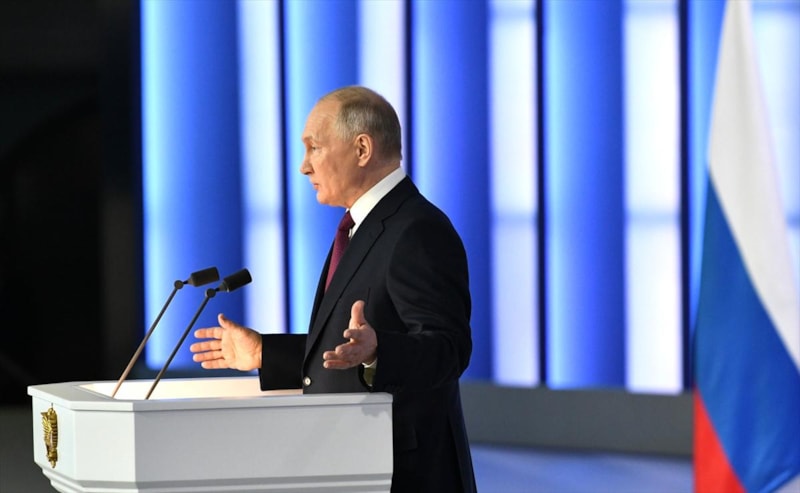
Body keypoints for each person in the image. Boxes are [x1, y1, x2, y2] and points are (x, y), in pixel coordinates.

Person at [190, 85, 477, 492]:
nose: (304, 167)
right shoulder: (361, 226)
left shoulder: (417, 230)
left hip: (404, 474)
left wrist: (380, 351)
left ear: (362, 149)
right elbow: (345, 353)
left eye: (314, 148)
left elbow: (449, 349)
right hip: (356, 464)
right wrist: (264, 353)